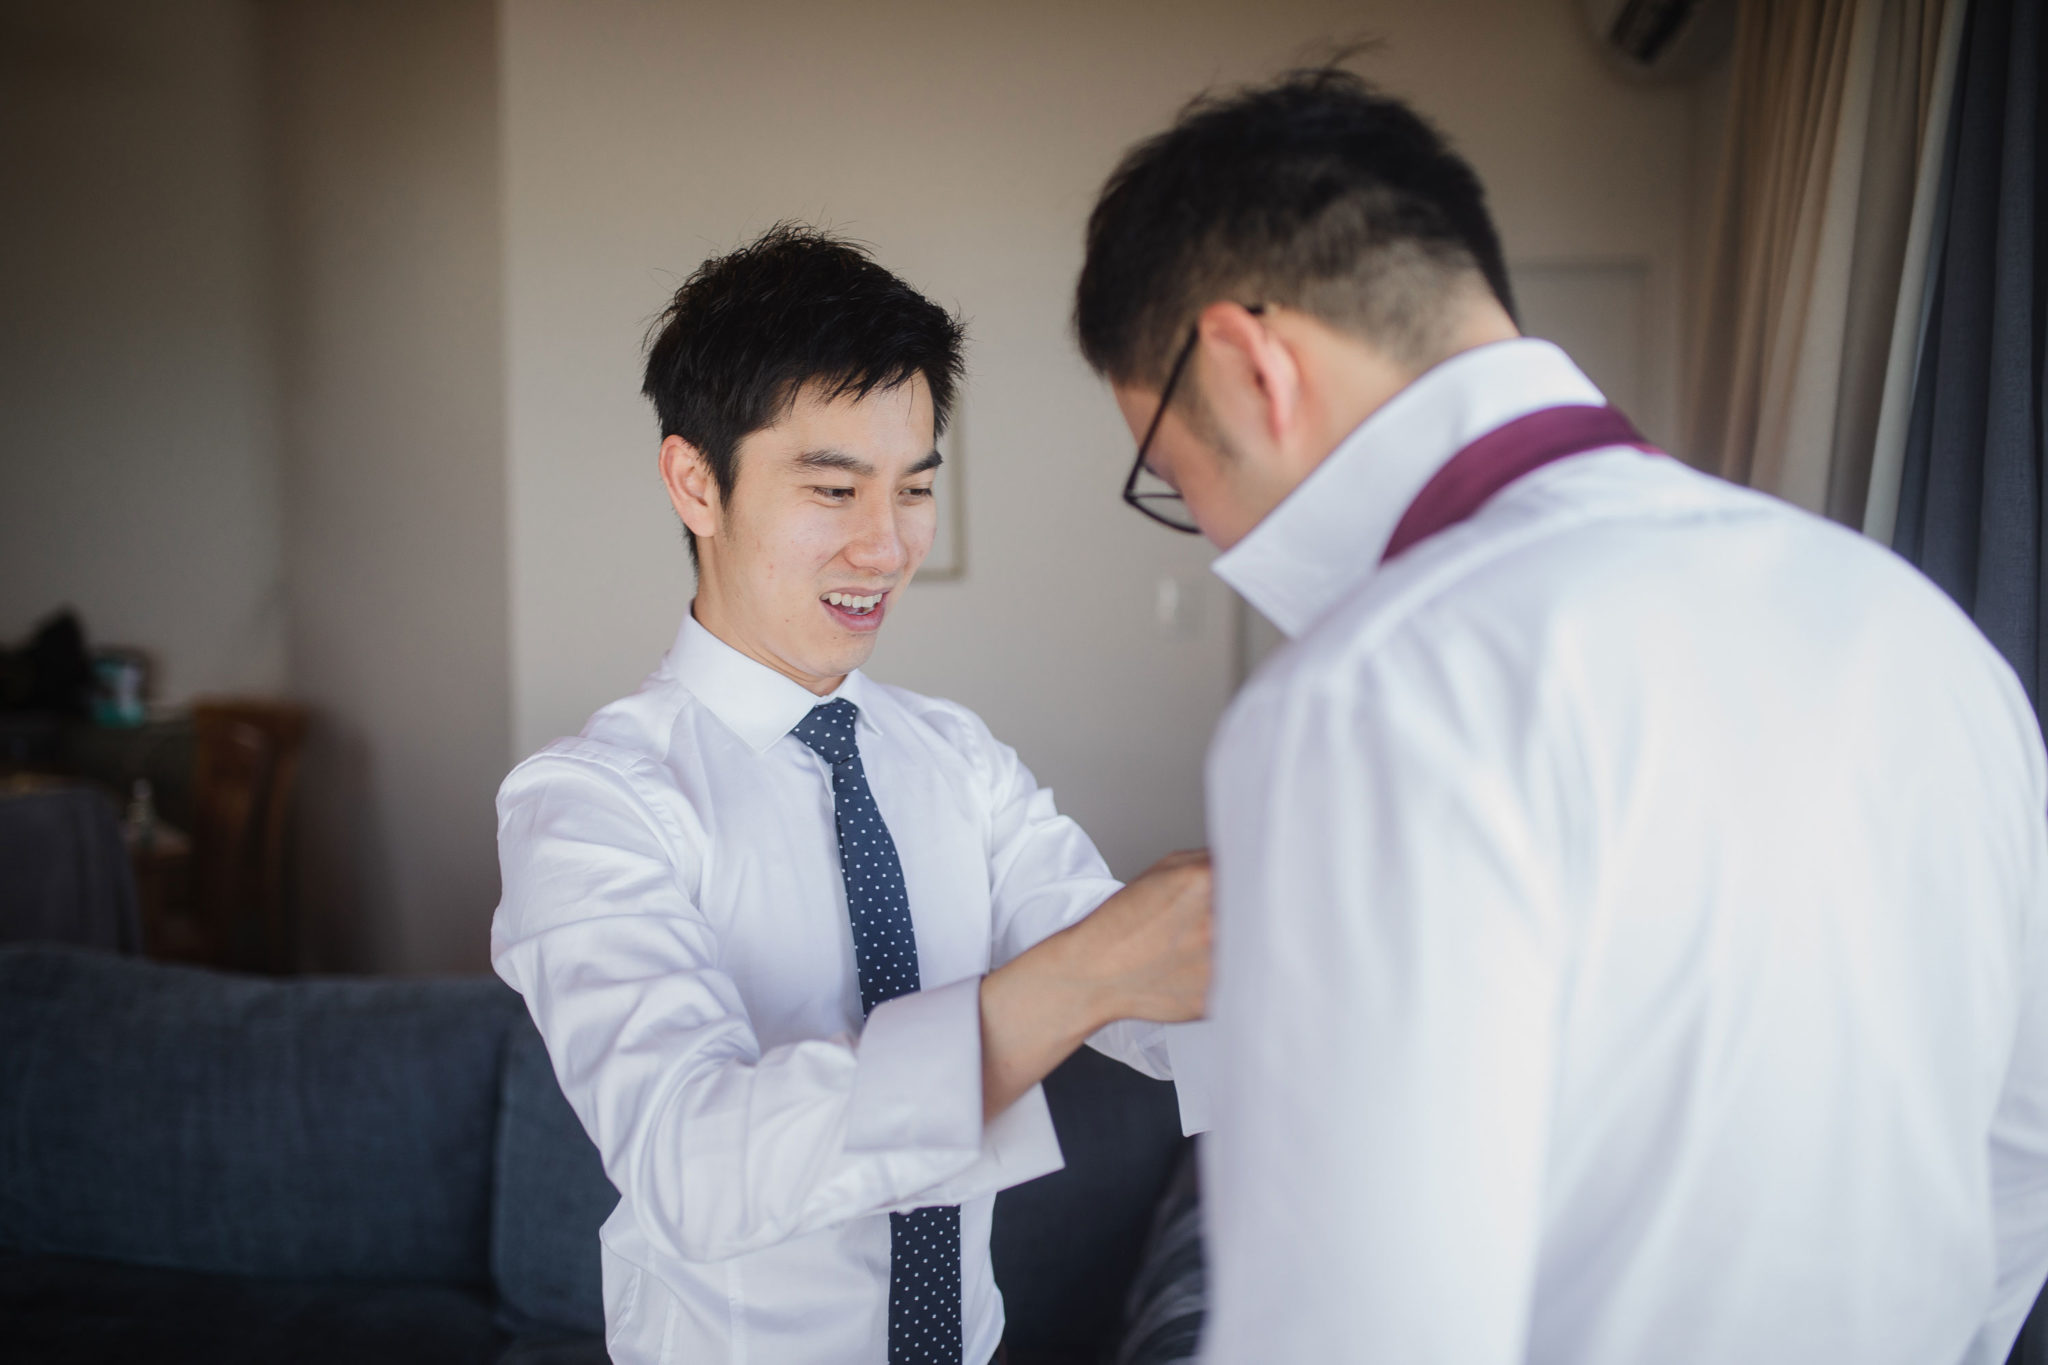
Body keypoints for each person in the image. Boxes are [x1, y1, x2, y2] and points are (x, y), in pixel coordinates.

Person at [1073, 67, 2048, 1365]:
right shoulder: (1920, 631)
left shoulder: (1376, 692)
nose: (1213, 541)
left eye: (1177, 481)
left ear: (1255, 367)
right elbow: (2021, 1152)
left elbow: (1358, 1333)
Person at [492, 224, 1212, 1365]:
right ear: (695, 482)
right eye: (833, 489)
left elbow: (1143, 983)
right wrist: (1079, 977)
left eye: (914, 490)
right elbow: (692, 1162)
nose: (884, 548)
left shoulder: (958, 759)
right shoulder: (591, 804)